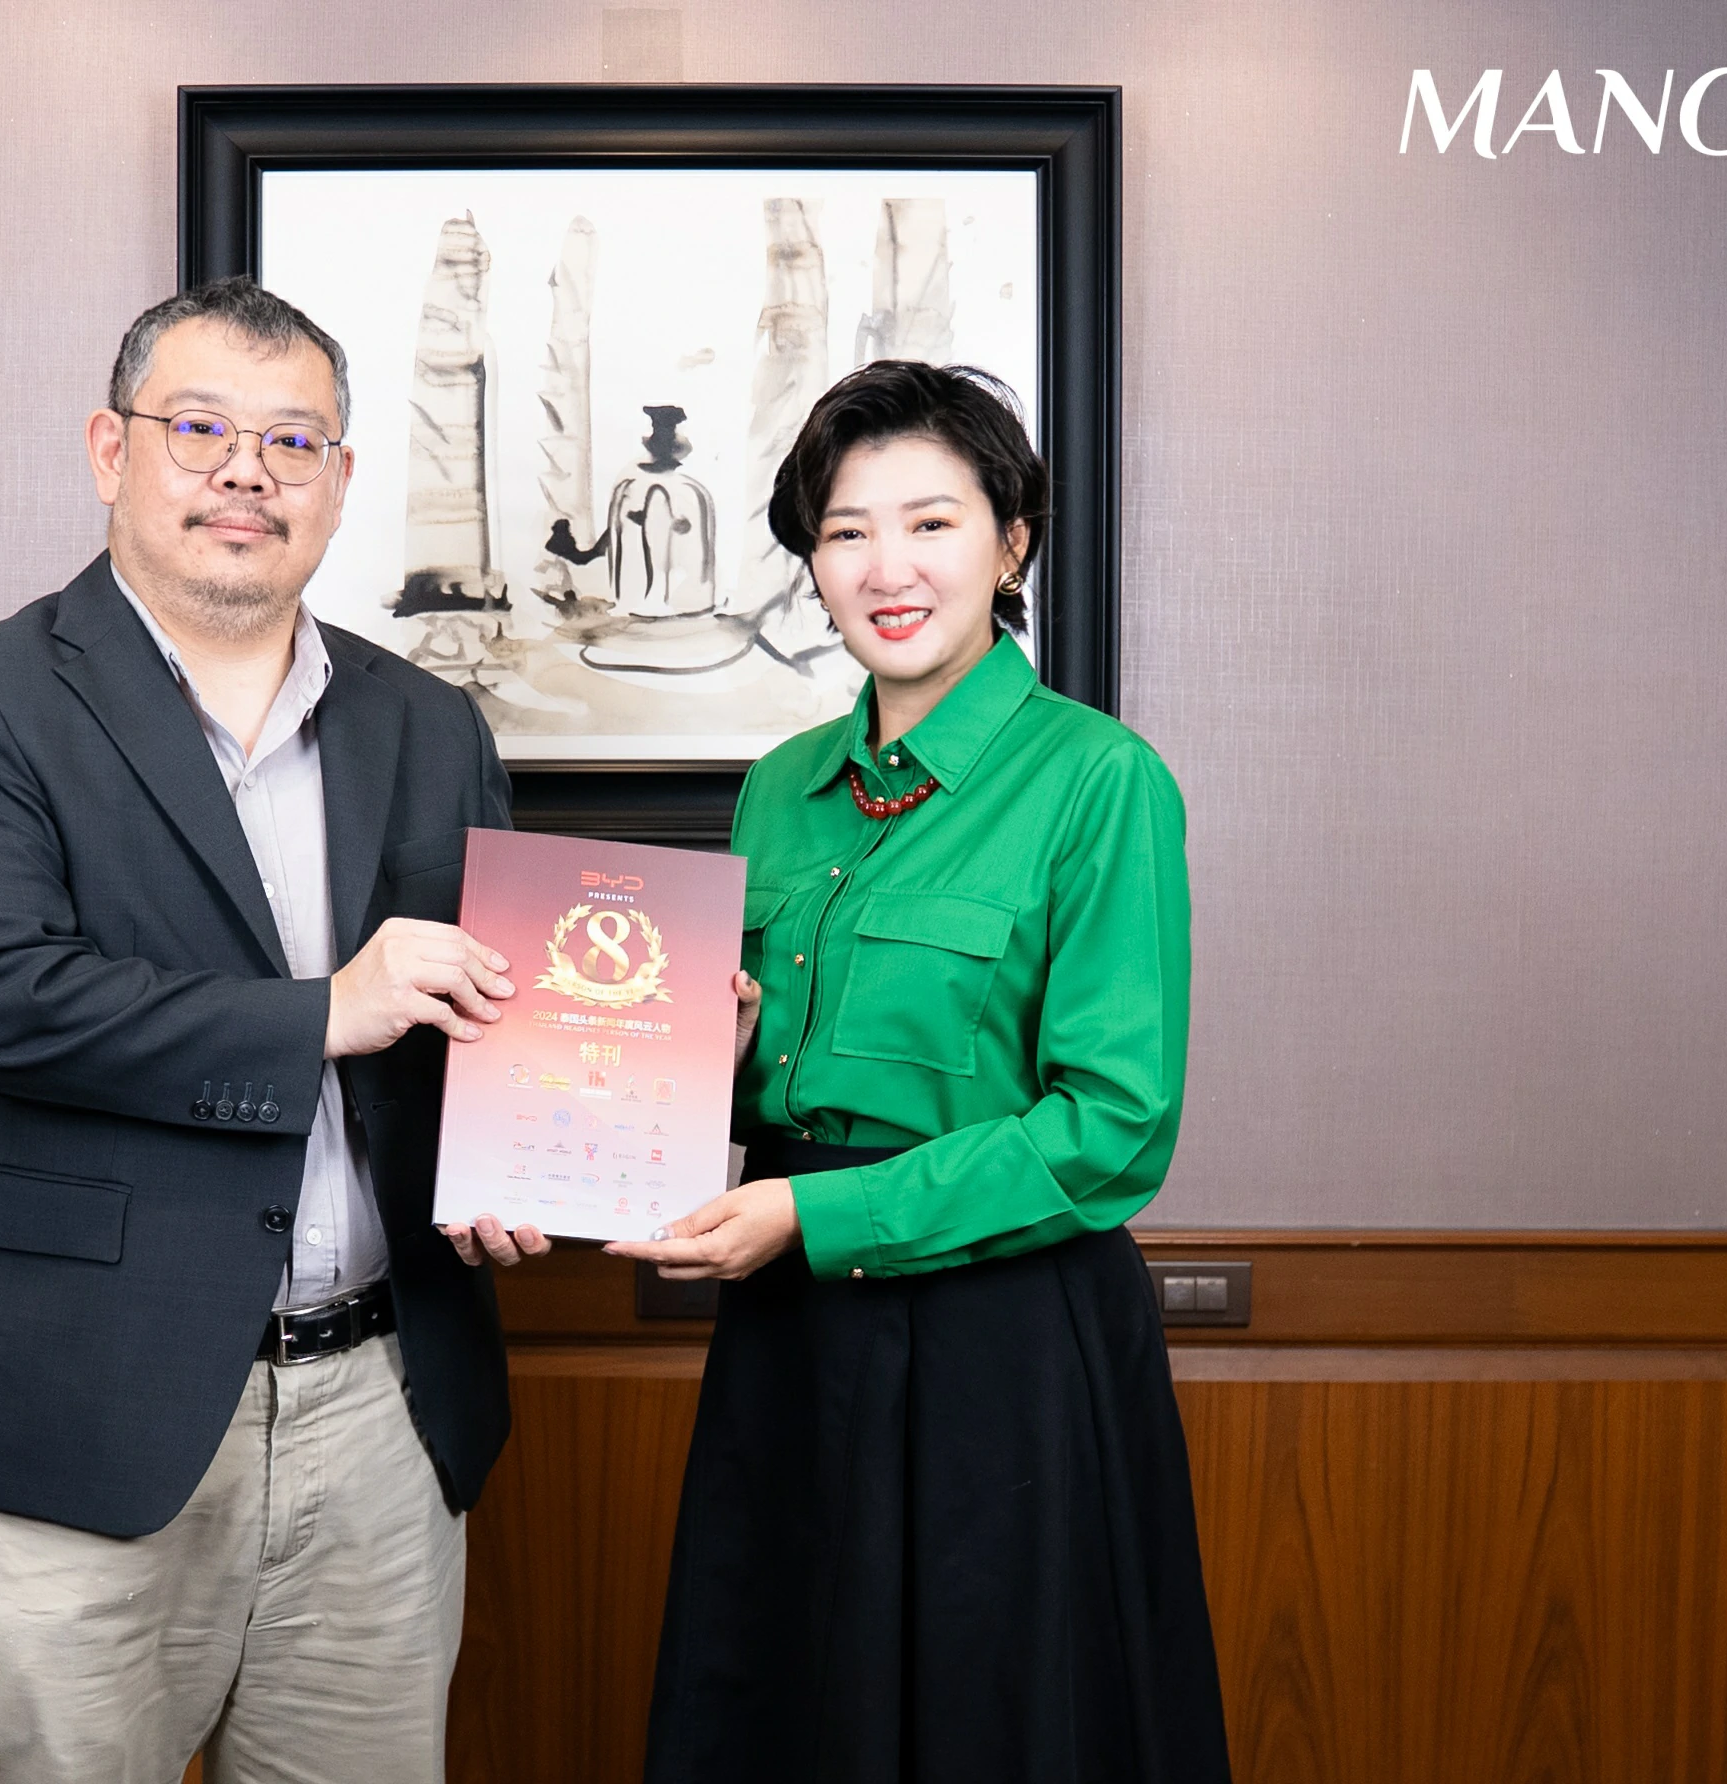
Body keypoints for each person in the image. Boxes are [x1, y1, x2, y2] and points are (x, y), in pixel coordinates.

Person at [0, 276, 549, 1784]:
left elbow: (483, 1016)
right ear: (110, 452)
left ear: (340, 481)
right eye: (200, 429)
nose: (248, 472)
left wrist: (562, 1117)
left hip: (382, 1407)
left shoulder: (427, 724)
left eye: (292, 442)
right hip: (86, 1409)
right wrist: (326, 1012)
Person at [613, 360, 1232, 1783]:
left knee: (992, 1723)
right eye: (846, 531)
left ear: (1011, 544)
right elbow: (759, 1078)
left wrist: (816, 1217)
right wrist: (698, 1067)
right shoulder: (779, 787)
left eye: (931, 524)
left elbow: (1111, 1129)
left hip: (1002, 1341)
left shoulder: (1100, 780)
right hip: (789, 1327)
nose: (886, 568)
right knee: (782, 1711)